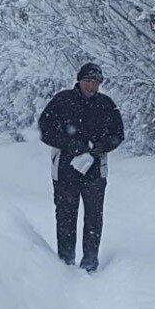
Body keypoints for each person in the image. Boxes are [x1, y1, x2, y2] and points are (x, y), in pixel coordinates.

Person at [38, 63, 124, 272]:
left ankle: (90, 262)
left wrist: (100, 147)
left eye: (95, 82)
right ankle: (65, 261)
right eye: (88, 81)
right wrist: (69, 144)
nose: (91, 86)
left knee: (94, 216)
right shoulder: (62, 100)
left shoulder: (106, 104)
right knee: (66, 215)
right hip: (65, 169)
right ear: (79, 80)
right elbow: (45, 129)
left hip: (95, 170)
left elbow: (118, 134)